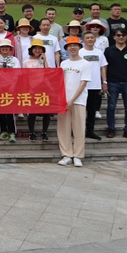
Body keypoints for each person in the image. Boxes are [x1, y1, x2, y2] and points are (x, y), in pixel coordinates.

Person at [57, 36, 91, 167]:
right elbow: (60, 82)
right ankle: (66, 154)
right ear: (66, 48)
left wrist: (72, 100)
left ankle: (78, 155)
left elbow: (83, 84)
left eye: (75, 45)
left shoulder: (85, 64)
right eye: (70, 46)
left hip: (79, 100)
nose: (72, 48)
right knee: (63, 128)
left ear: (79, 47)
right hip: (64, 101)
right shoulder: (64, 64)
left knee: (79, 128)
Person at [104, 29, 127, 140]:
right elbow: (105, 66)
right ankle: (111, 129)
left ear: (126, 36)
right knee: (111, 106)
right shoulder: (108, 50)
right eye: (118, 35)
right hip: (112, 82)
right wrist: (105, 81)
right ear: (114, 37)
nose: (121, 37)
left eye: (123, 35)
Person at [80, 31, 108, 141]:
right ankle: (79, 131)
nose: (90, 39)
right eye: (87, 38)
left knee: (92, 110)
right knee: (81, 110)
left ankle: (90, 131)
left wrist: (104, 82)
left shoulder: (99, 52)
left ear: (95, 39)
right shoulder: (80, 52)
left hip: (95, 86)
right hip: (82, 86)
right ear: (83, 40)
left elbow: (103, 67)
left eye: (92, 37)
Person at [22, 39, 51, 142]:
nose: (37, 50)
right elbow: (24, 77)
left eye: (40, 48)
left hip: (44, 89)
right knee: (32, 113)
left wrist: (45, 60)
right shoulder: (26, 62)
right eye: (35, 48)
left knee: (47, 113)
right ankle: (32, 132)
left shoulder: (43, 60)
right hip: (32, 89)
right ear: (31, 49)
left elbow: (48, 73)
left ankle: (44, 132)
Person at [0, 39, 21, 143]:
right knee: (0, 111)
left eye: (7, 47)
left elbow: (17, 75)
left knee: (10, 111)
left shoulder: (15, 60)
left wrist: (12, 87)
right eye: (2, 47)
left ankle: (12, 132)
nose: (5, 48)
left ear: (10, 49)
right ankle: (3, 131)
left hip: (11, 89)